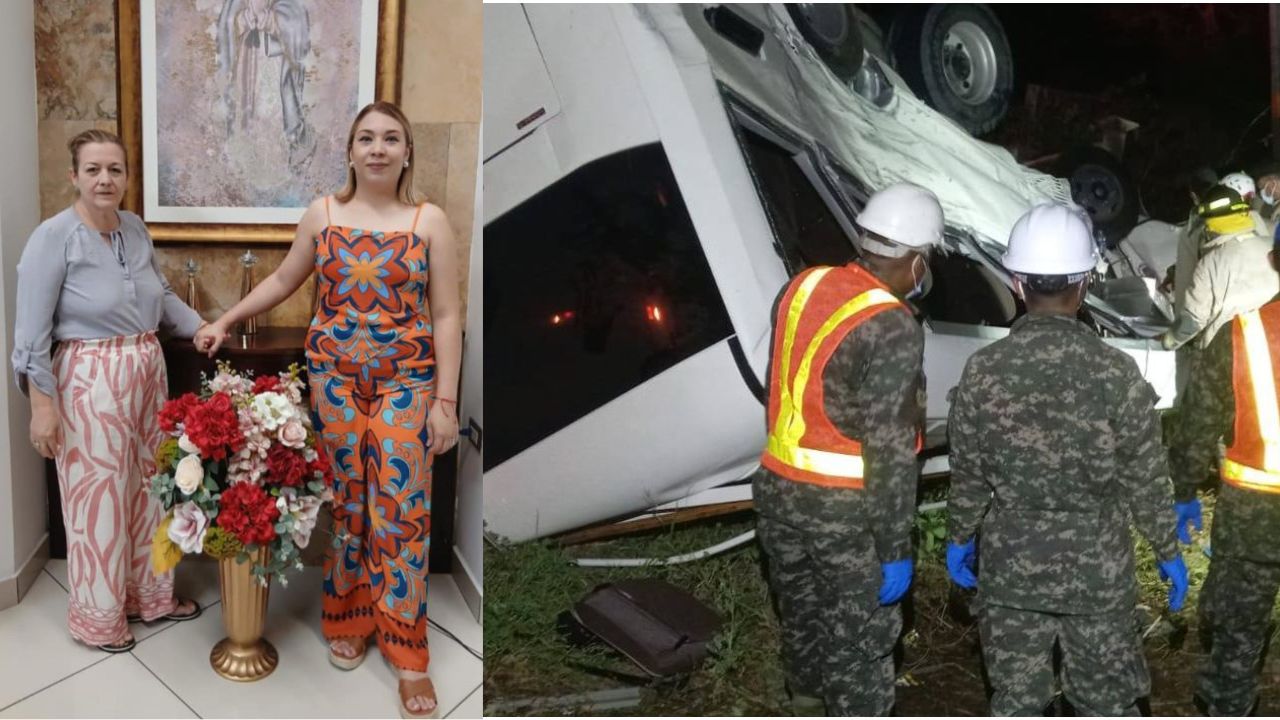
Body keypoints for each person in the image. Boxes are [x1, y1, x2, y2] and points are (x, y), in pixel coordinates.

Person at [195, 101, 461, 718]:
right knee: (346, 504)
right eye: (366, 138)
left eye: (391, 138)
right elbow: (285, 279)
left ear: (406, 152)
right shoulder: (324, 213)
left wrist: (446, 402)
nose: (377, 148)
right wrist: (226, 319)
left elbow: (447, 314)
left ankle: (408, 653)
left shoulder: (429, 222)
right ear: (348, 151)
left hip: (407, 387)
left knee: (400, 512)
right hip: (334, 386)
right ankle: (348, 617)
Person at [944, 203, 1188, 715]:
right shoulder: (1116, 372)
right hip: (1097, 576)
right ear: (1085, 285)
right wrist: (1167, 549)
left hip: (1012, 572)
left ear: (1016, 282)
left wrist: (960, 538)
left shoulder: (982, 370)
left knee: (1016, 702)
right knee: (1104, 703)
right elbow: (1145, 476)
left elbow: (967, 475)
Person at [12, 129, 205, 653]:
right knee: (97, 502)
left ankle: (151, 598)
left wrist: (199, 326)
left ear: (126, 176)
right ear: (74, 175)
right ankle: (100, 620)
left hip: (147, 372)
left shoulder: (135, 228)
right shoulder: (52, 237)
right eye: (93, 169)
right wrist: (42, 407)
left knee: (150, 491)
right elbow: (29, 334)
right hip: (88, 380)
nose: (105, 179)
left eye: (114, 170)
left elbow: (161, 295)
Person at [753, 182, 942, 716]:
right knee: (860, 642)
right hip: (843, 510)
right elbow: (888, 445)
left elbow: (791, 383)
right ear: (916, 261)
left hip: (776, 489)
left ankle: (806, 702)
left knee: (803, 615)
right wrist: (894, 546)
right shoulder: (892, 325)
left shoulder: (802, 284)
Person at [1169, 229, 1280, 715]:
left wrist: (1183, 489)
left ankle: (1227, 705)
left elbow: (1197, 423)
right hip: (1252, 516)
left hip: (1253, 518)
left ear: (1275, 257)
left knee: (1237, 634)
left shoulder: (1241, 334)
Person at [1161, 185, 1277, 355]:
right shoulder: (1271, 246)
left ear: (1209, 227)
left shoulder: (1211, 265)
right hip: (1273, 341)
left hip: (1229, 353)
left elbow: (1191, 323)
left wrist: (1167, 342)